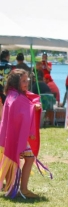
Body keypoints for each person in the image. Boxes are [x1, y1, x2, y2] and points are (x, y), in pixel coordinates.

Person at [0, 69, 44, 198]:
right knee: (18, 159)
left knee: (14, 159)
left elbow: (24, 107)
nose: (26, 83)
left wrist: (31, 106)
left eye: (27, 80)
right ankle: (19, 189)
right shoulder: (15, 97)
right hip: (15, 135)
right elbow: (21, 112)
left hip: (12, 134)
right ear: (15, 82)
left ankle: (13, 187)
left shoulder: (13, 94)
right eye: (23, 81)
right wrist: (33, 108)